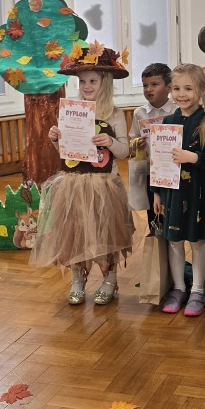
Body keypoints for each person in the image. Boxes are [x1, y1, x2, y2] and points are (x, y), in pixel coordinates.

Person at [32, 45, 134, 306]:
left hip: (103, 184)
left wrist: (110, 142)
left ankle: (110, 279)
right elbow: (67, 153)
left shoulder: (114, 114)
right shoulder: (72, 111)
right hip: (73, 183)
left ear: (105, 82)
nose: (87, 86)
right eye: (82, 81)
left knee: (105, 234)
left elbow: (124, 152)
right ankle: (77, 279)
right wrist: (56, 139)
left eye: (93, 81)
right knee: (75, 232)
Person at [153, 63, 205, 316]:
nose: (181, 94)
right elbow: (158, 160)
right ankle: (179, 288)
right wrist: (156, 192)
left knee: (198, 241)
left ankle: (198, 291)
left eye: (188, 89)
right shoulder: (168, 121)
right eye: (177, 88)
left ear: (201, 90)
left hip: (197, 194)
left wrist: (193, 157)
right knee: (174, 241)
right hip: (172, 193)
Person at [128, 62, 173, 223]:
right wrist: (136, 143)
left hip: (171, 171)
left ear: (169, 87)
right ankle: (156, 235)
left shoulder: (176, 111)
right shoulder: (139, 113)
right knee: (153, 214)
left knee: (172, 211)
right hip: (150, 172)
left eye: (154, 84)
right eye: (145, 85)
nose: (148, 89)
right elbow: (132, 138)